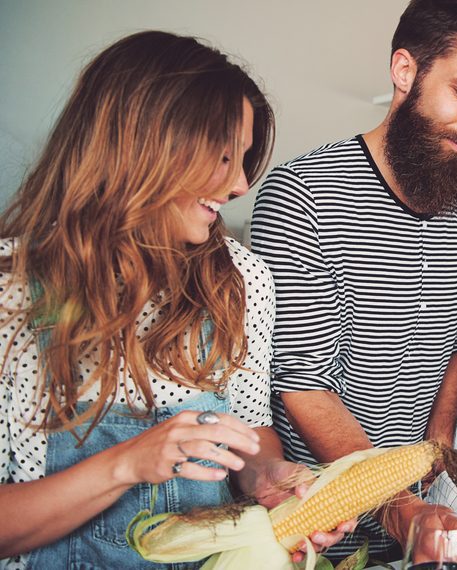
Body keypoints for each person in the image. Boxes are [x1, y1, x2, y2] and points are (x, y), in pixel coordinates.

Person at [0, 31, 353, 569]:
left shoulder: (242, 280)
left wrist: (270, 479)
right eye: (223, 155)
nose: (239, 183)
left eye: (244, 158)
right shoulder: (13, 288)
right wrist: (124, 465)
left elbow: (253, 432)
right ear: (145, 143)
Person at [249, 0, 457, 559]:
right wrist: (400, 506)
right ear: (405, 70)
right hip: (320, 528)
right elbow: (303, 384)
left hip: (419, 514)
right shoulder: (302, 194)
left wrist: (434, 464)